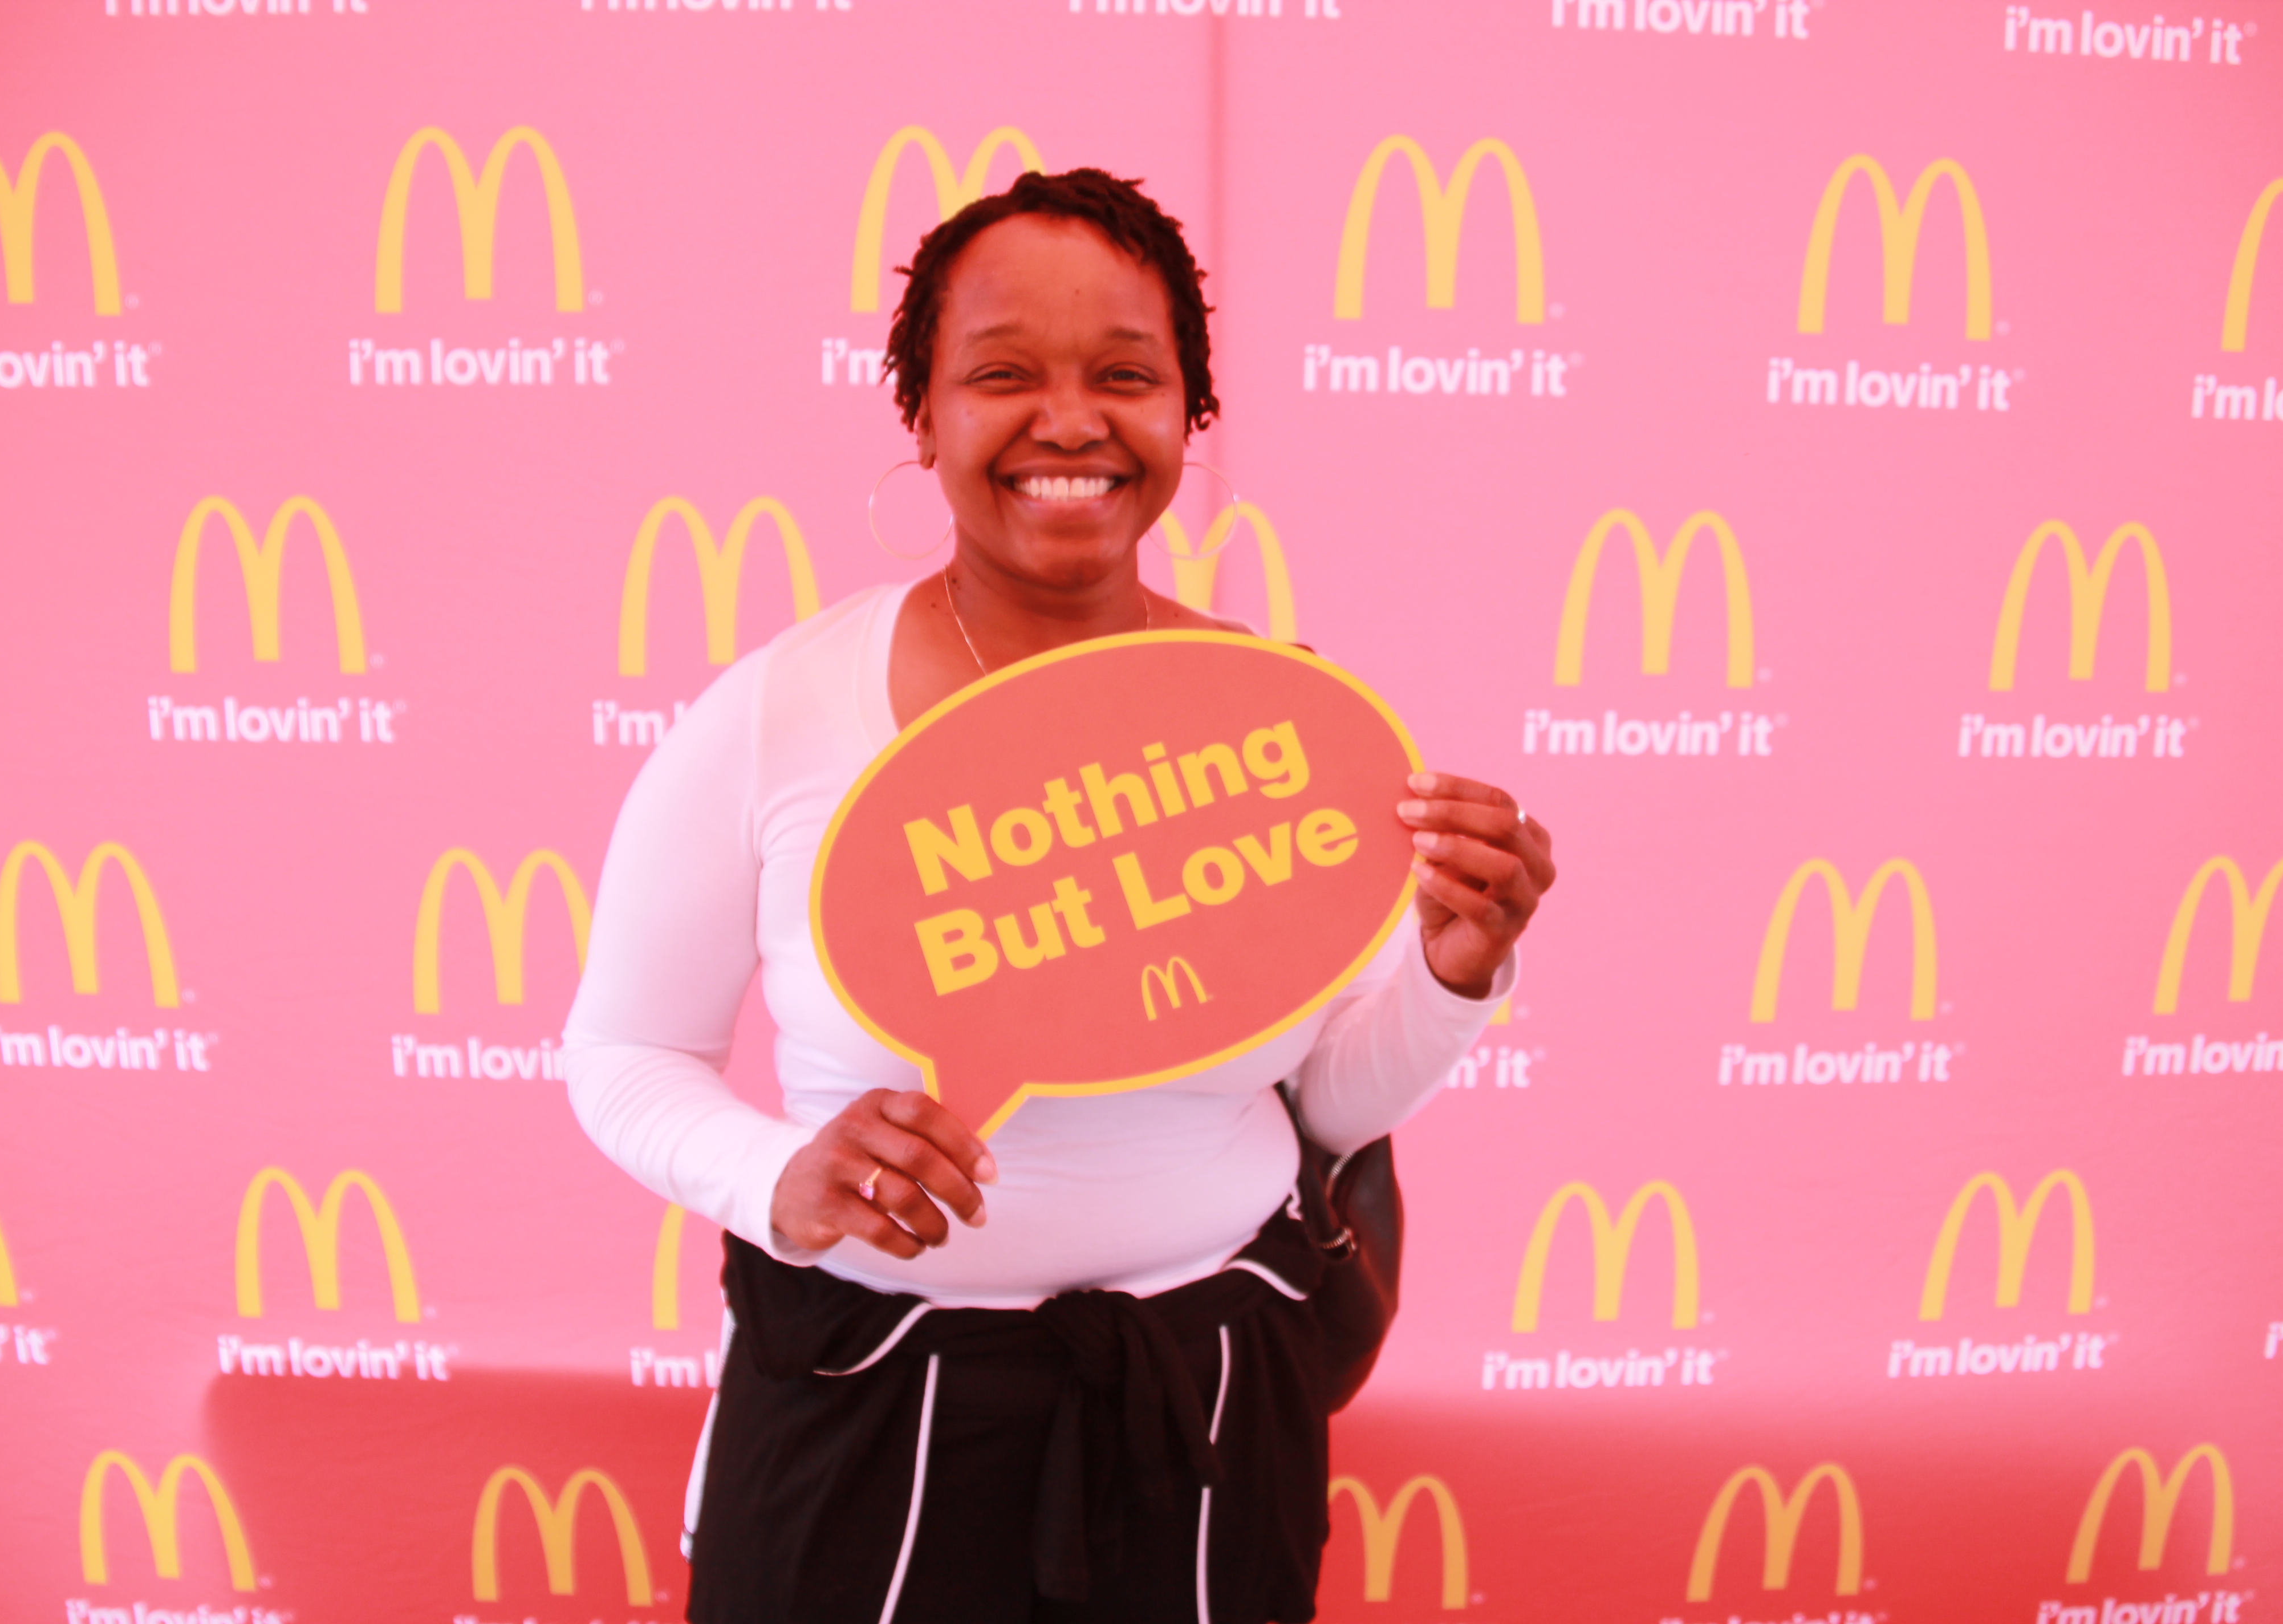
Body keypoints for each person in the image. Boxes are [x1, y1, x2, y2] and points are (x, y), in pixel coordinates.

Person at [562, 169, 1555, 1624]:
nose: (1071, 421)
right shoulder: (778, 716)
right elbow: (625, 1052)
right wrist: (780, 1176)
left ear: (1190, 414)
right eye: (1002, 374)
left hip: (1207, 1416)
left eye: (1127, 376)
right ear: (922, 415)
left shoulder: (1280, 731)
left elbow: (1328, 1104)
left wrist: (1453, 969)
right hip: (866, 1407)